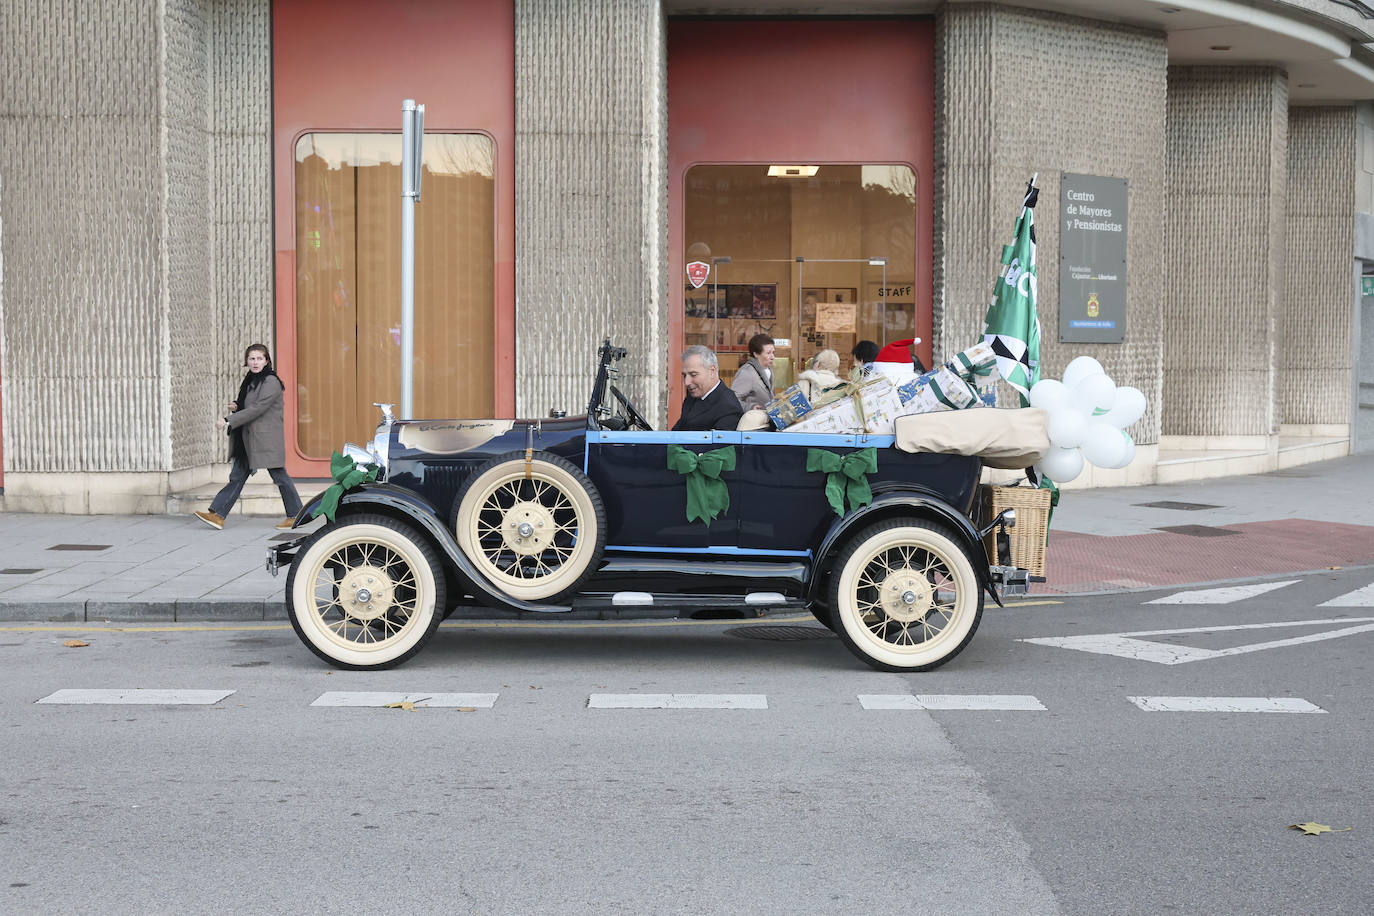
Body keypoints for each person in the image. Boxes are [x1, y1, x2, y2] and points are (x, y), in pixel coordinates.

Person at [195, 344, 302, 530]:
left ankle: (296, 515)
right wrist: (238, 405)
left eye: (259, 358)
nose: (255, 362)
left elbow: (258, 408)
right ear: (247, 361)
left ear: (267, 360)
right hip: (248, 438)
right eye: (252, 359)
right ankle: (218, 515)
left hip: (264, 439)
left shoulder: (270, 381)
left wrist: (229, 420)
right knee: (237, 476)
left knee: (280, 476)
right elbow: (249, 404)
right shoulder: (252, 379)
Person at [673, 345, 744, 431]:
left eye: (693, 375)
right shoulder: (692, 397)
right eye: (684, 375)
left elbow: (721, 443)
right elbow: (677, 432)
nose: (686, 382)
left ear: (712, 371)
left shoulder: (728, 408)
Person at [730, 333, 776, 411]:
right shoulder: (747, 372)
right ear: (756, 354)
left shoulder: (769, 370)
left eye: (773, 352)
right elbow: (731, 400)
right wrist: (749, 407)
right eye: (768, 353)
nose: (772, 357)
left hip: (766, 419)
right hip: (753, 421)